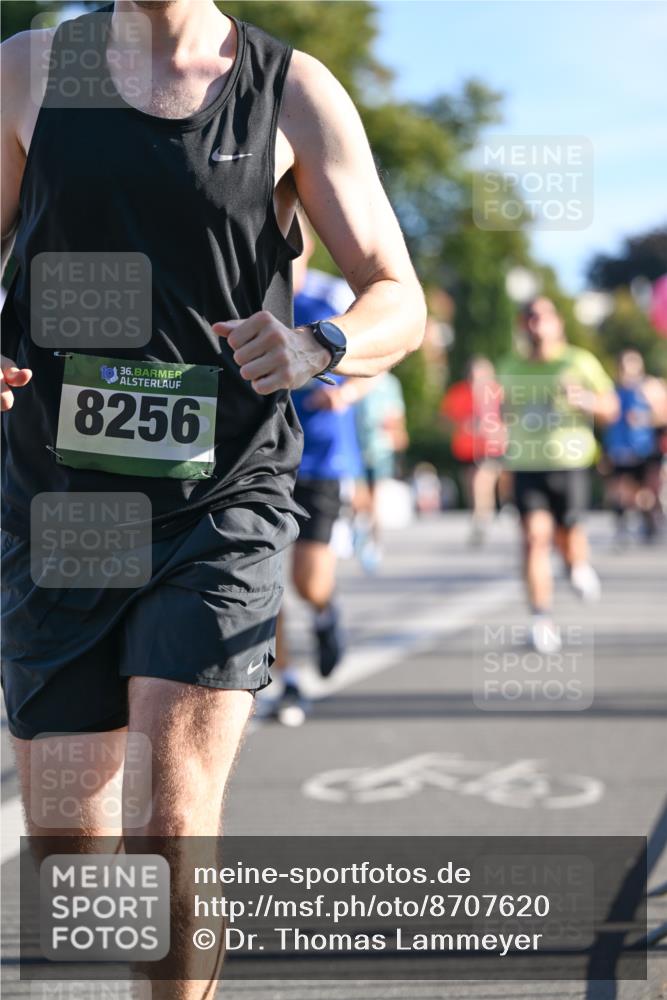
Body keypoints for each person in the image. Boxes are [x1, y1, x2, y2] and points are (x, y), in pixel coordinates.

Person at [1, 1, 426, 994]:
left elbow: (392, 290)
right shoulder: (27, 70)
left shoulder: (293, 90)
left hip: (221, 495)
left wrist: (320, 345)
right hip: (62, 504)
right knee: (71, 853)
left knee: (174, 822)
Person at [273, 221, 368, 727]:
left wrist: (346, 393)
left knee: (308, 580)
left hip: (323, 460)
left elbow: (380, 356)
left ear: (306, 245)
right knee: (262, 582)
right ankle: (288, 683)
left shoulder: (334, 296)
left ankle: (327, 613)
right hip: (260, 460)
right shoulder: (246, 296)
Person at [498, 297, 618, 654]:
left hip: (571, 463)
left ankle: (576, 564)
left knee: (569, 537)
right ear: (523, 325)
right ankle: (541, 619)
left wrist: (586, 401)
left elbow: (611, 407)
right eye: (530, 318)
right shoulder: (510, 366)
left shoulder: (578, 361)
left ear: (557, 323)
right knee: (535, 540)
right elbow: (503, 412)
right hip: (525, 465)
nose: (536, 324)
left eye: (543, 317)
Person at [440, 356, 506, 545]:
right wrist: (462, 425)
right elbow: (444, 420)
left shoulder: (498, 392)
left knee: (481, 481)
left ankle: (481, 519)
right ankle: (484, 514)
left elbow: (511, 416)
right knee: (472, 485)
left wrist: (498, 430)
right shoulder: (458, 393)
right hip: (466, 449)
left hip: (491, 446)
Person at [603, 349, 667, 543]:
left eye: (631, 365)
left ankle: (650, 523)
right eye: (623, 366)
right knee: (619, 493)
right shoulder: (612, 390)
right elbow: (605, 420)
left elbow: (663, 415)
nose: (626, 370)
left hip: (645, 448)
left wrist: (644, 418)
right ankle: (622, 527)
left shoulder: (650, 388)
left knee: (645, 494)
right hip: (618, 449)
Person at [353, 370, 408, 572]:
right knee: (359, 498)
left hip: (381, 447)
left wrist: (397, 435)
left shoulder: (390, 383)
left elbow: (396, 414)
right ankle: (363, 534)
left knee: (375, 498)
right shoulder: (356, 378)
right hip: (357, 447)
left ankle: (374, 542)